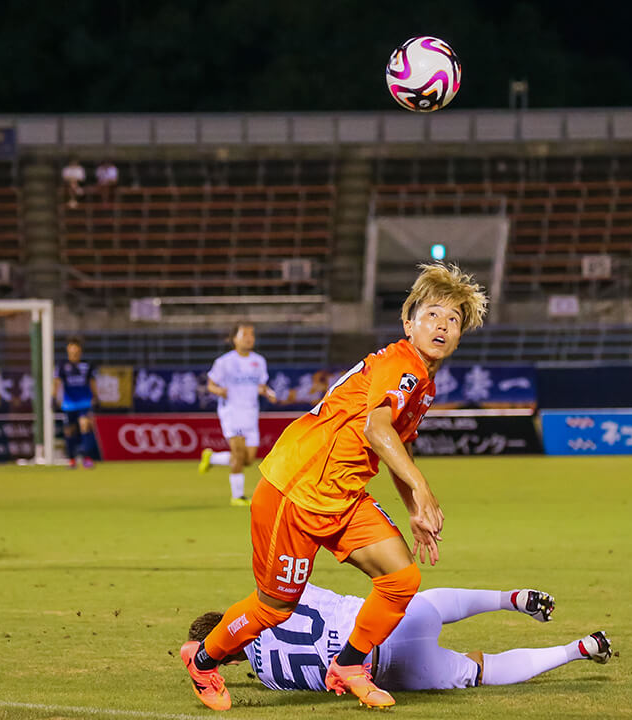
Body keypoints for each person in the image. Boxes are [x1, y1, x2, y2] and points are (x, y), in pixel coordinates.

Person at [179, 263, 488, 711]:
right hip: (295, 491)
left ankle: (348, 665)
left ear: (460, 335)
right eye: (432, 314)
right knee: (274, 609)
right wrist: (423, 491)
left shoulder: (422, 383)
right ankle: (203, 659)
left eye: (453, 319)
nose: (442, 325)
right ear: (408, 323)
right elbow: (376, 429)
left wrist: (414, 509)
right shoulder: (402, 364)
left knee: (401, 579)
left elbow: (397, 443)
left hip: (341, 498)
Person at [186, 583, 612, 693]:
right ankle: (508, 598)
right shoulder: (269, 596)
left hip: (393, 670)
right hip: (385, 620)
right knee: (436, 603)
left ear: (229, 660)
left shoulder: (270, 679)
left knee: (481, 671)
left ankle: (579, 649)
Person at [197, 323, 277, 506]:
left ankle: (213, 457)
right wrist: (219, 391)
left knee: (248, 459)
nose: (249, 338)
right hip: (232, 412)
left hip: (251, 413)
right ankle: (238, 496)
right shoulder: (224, 362)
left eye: (252, 335)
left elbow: (261, 386)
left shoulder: (259, 361)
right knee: (239, 454)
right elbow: (210, 384)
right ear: (234, 339)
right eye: (245, 334)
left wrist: (269, 393)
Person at [53, 336, 98, 469]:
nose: (74, 352)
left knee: (85, 425)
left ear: (80, 350)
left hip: (84, 402)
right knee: (69, 431)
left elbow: (92, 382)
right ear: (68, 350)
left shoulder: (87, 365)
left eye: (76, 350)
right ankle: (71, 459)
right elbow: (56, 382)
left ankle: (86, 458)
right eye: (71, 349)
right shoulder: (62, 366)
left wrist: (96, 397)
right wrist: (53, 397)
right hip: (69, 403)